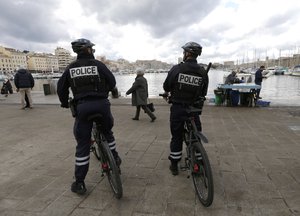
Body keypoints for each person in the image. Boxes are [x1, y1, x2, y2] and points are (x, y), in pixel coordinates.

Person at [57, 38, 121, 195]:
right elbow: (112, 81)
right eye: (92, 48)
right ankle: (115, 159)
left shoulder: (70, 68)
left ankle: (79, 183)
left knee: (83, 145)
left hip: (83, 107)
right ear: (89, 50)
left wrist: (65, 103)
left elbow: (61, 88)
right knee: (108, 132)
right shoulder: (99, 65)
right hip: (102, 105)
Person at [163, 41, 209, 175]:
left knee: (176, 136)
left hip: (178, 108)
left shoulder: (177, 69)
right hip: (194, 109)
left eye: (184, 52)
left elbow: (167, 86)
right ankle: (199, 161)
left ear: (187, 53)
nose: (183, 54)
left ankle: (174, 165)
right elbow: (204, 92)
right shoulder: (202, 72)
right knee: (196, 136)